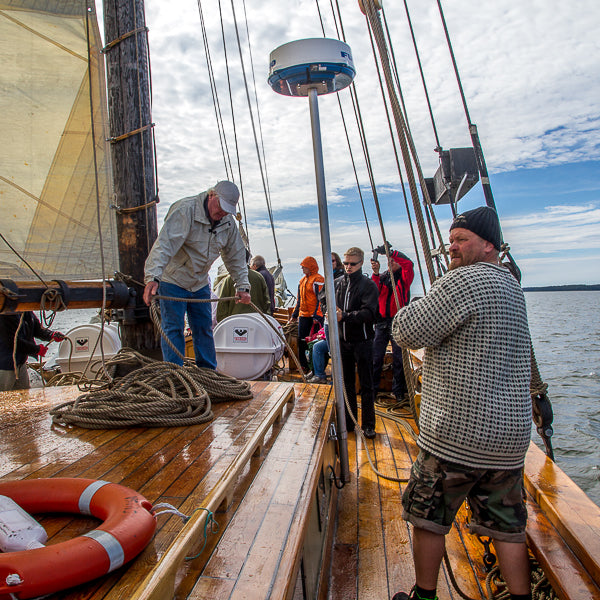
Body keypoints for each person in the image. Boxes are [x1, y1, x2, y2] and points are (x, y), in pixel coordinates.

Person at [391, 206, 533, 600]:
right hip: (508, 440)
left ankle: (424, 596)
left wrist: (415, 302)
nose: (451, 247)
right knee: (507, 526)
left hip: (459, 433)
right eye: (450, 240)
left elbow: (407, 331)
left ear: (489, 245)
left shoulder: (464, 281)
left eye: (461, 240)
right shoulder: (512, 288)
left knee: (427, 517)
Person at [143, 180, 251, 369]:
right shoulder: (185, 210)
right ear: (211, 195)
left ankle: (208, 373)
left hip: (200, 283)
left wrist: (242, 286)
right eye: (220, 207)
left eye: (227, 210)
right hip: (173, 281)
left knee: (204, 329)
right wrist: (152, 277)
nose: (223, 213)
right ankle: (175, 374)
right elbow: (164, 245)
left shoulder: (227, 223)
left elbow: (235, 256)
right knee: (172, 329)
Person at [323, 247, 379, 438]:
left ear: (361, 263)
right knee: (346, 384)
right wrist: (328, 309)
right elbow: (325, 301)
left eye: (352, 264)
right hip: (343, 342)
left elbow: (370, 313)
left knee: (366, 384)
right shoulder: (337, 284)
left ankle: (369, 425)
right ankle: (348, 422)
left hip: (362, 342)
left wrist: (344, 316)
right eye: (345, 263)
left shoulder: (368, 286)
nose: (348, 267)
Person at [371, 247, 414, 404]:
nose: (390, 262)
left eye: (393, 261)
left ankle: (399, 392)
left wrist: (392, 252)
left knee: (399, 359)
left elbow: (409, 264)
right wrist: (375, 273)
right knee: (376, 358)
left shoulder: (404, 278)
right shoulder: (382, 278)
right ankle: (373, 390)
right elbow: (374, 291)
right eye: (389, 261)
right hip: (382, 322)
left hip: (398, 322)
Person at [0, 312, 64, 391]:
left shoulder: (26, 312)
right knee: (3, 395)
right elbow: (12, 341)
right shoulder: (4, 314)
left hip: (20, 363)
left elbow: (37, 330)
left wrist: (51, 335)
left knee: (24, 393)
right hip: (4, 365)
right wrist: (36, 349)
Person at [288, 256, 324, 374]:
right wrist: (294, 315)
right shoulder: (302, 281)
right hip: (303, 316)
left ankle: (315, 367)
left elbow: (321, 299)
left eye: (304, 267)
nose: (302, 269)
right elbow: (299, 301)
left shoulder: (318, 280)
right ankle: (304, 365)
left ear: (310, 267)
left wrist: (317, 316)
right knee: (302, 341)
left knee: (315, 342)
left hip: (314, 317)